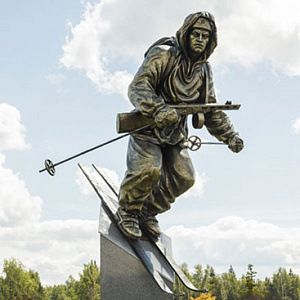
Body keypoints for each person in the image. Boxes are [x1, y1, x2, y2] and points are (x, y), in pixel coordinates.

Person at [117, 11, 244, 239]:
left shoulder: (204, 70)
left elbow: (210, 109)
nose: (200, 39)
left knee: (185, 177)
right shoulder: (163, 54)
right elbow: (138, 87)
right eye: (196, 33)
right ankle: (128, 212)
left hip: (175, 135)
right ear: (186, 33)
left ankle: (148, 211)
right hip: (147, 130)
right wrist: (158, 109)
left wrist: (230, 136)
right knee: (148, 170)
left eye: (205, 36)